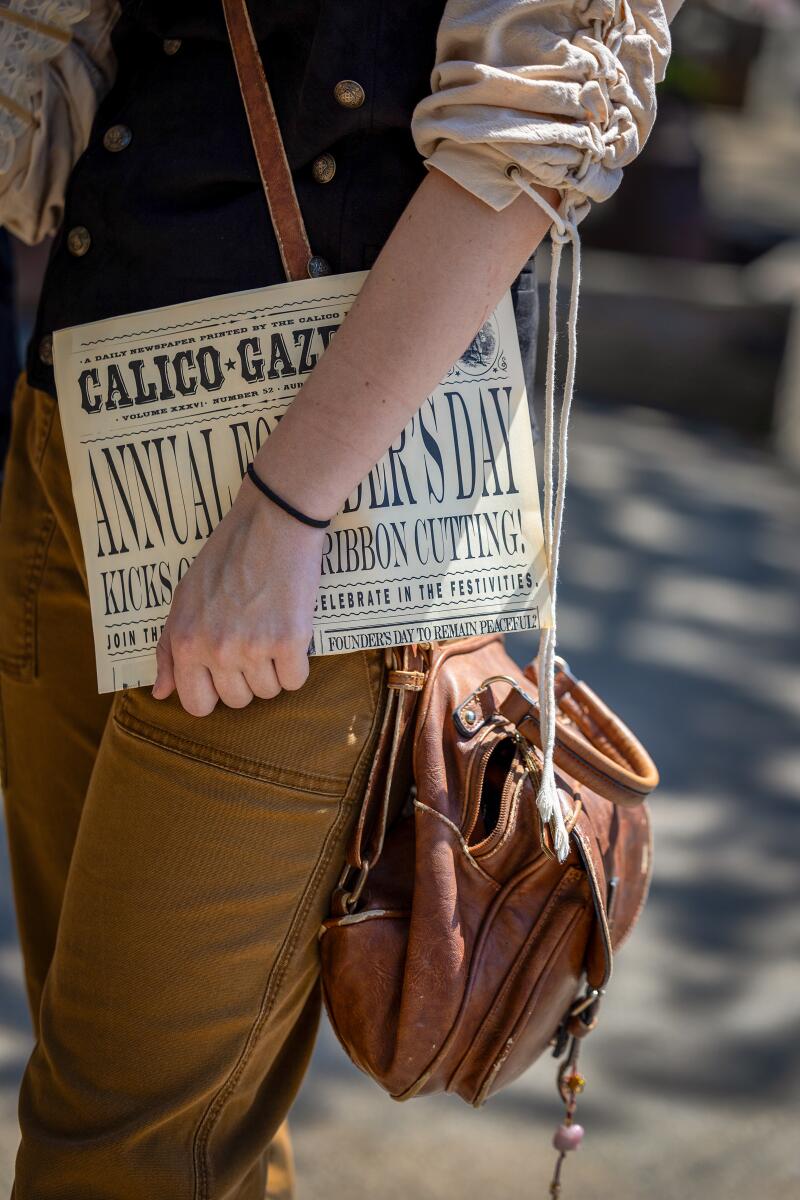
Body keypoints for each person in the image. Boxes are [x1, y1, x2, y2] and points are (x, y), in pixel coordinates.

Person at [0, 1, 682, 1196]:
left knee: (119, 1146)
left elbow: (538, 113)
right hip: (77, 425)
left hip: (310, 518)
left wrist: (286, 509)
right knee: (161, 1104)